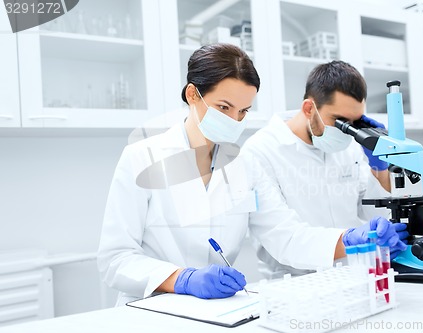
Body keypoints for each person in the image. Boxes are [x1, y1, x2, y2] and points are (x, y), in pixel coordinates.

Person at [97, 44, 406, 306]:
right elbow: (115, 260)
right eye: (224, 107)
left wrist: (350, 238)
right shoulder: (142, 157)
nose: (234, 120)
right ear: (193, 95)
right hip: (150, 311)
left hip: (218, 312)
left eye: (243, 111)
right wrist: (182, 279)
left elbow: (286, 236)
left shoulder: (245, 165)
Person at [242, 60, 408, 279]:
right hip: (296, 287)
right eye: (339, 121)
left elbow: (375, 214)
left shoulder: (349, 148)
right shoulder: (259, 152)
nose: (346, 130)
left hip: (355, 278)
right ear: (309, 108)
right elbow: (284, 240)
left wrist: (380, 168)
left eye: (354, 122)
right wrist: (349, 238)